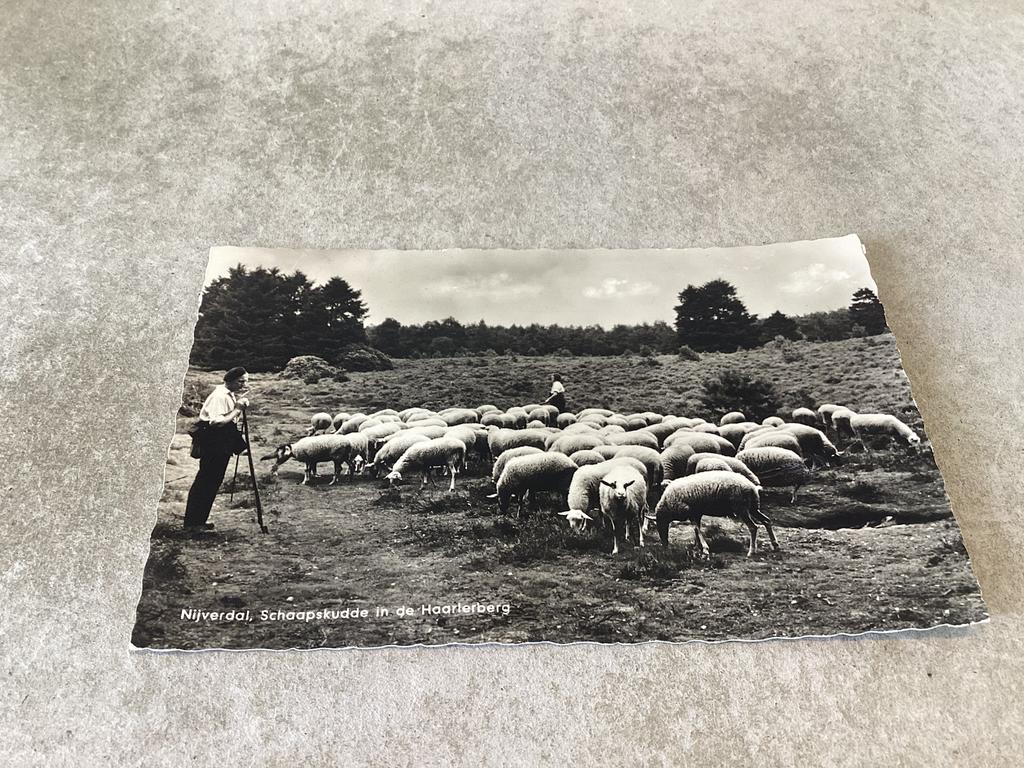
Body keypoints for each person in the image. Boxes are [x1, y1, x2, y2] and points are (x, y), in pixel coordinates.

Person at [183, 366, 250, 532]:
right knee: (206, 481)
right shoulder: (220, 396)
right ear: (231, 381)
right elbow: (216, 422)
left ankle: (198, 521)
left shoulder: (227, 395)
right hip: (213, 444)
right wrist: (237, 409)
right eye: (241, 381)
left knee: (211, 482)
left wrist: (237, 406)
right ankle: (193, 524)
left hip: (220, 444)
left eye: (246, 381)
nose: (244, 384)